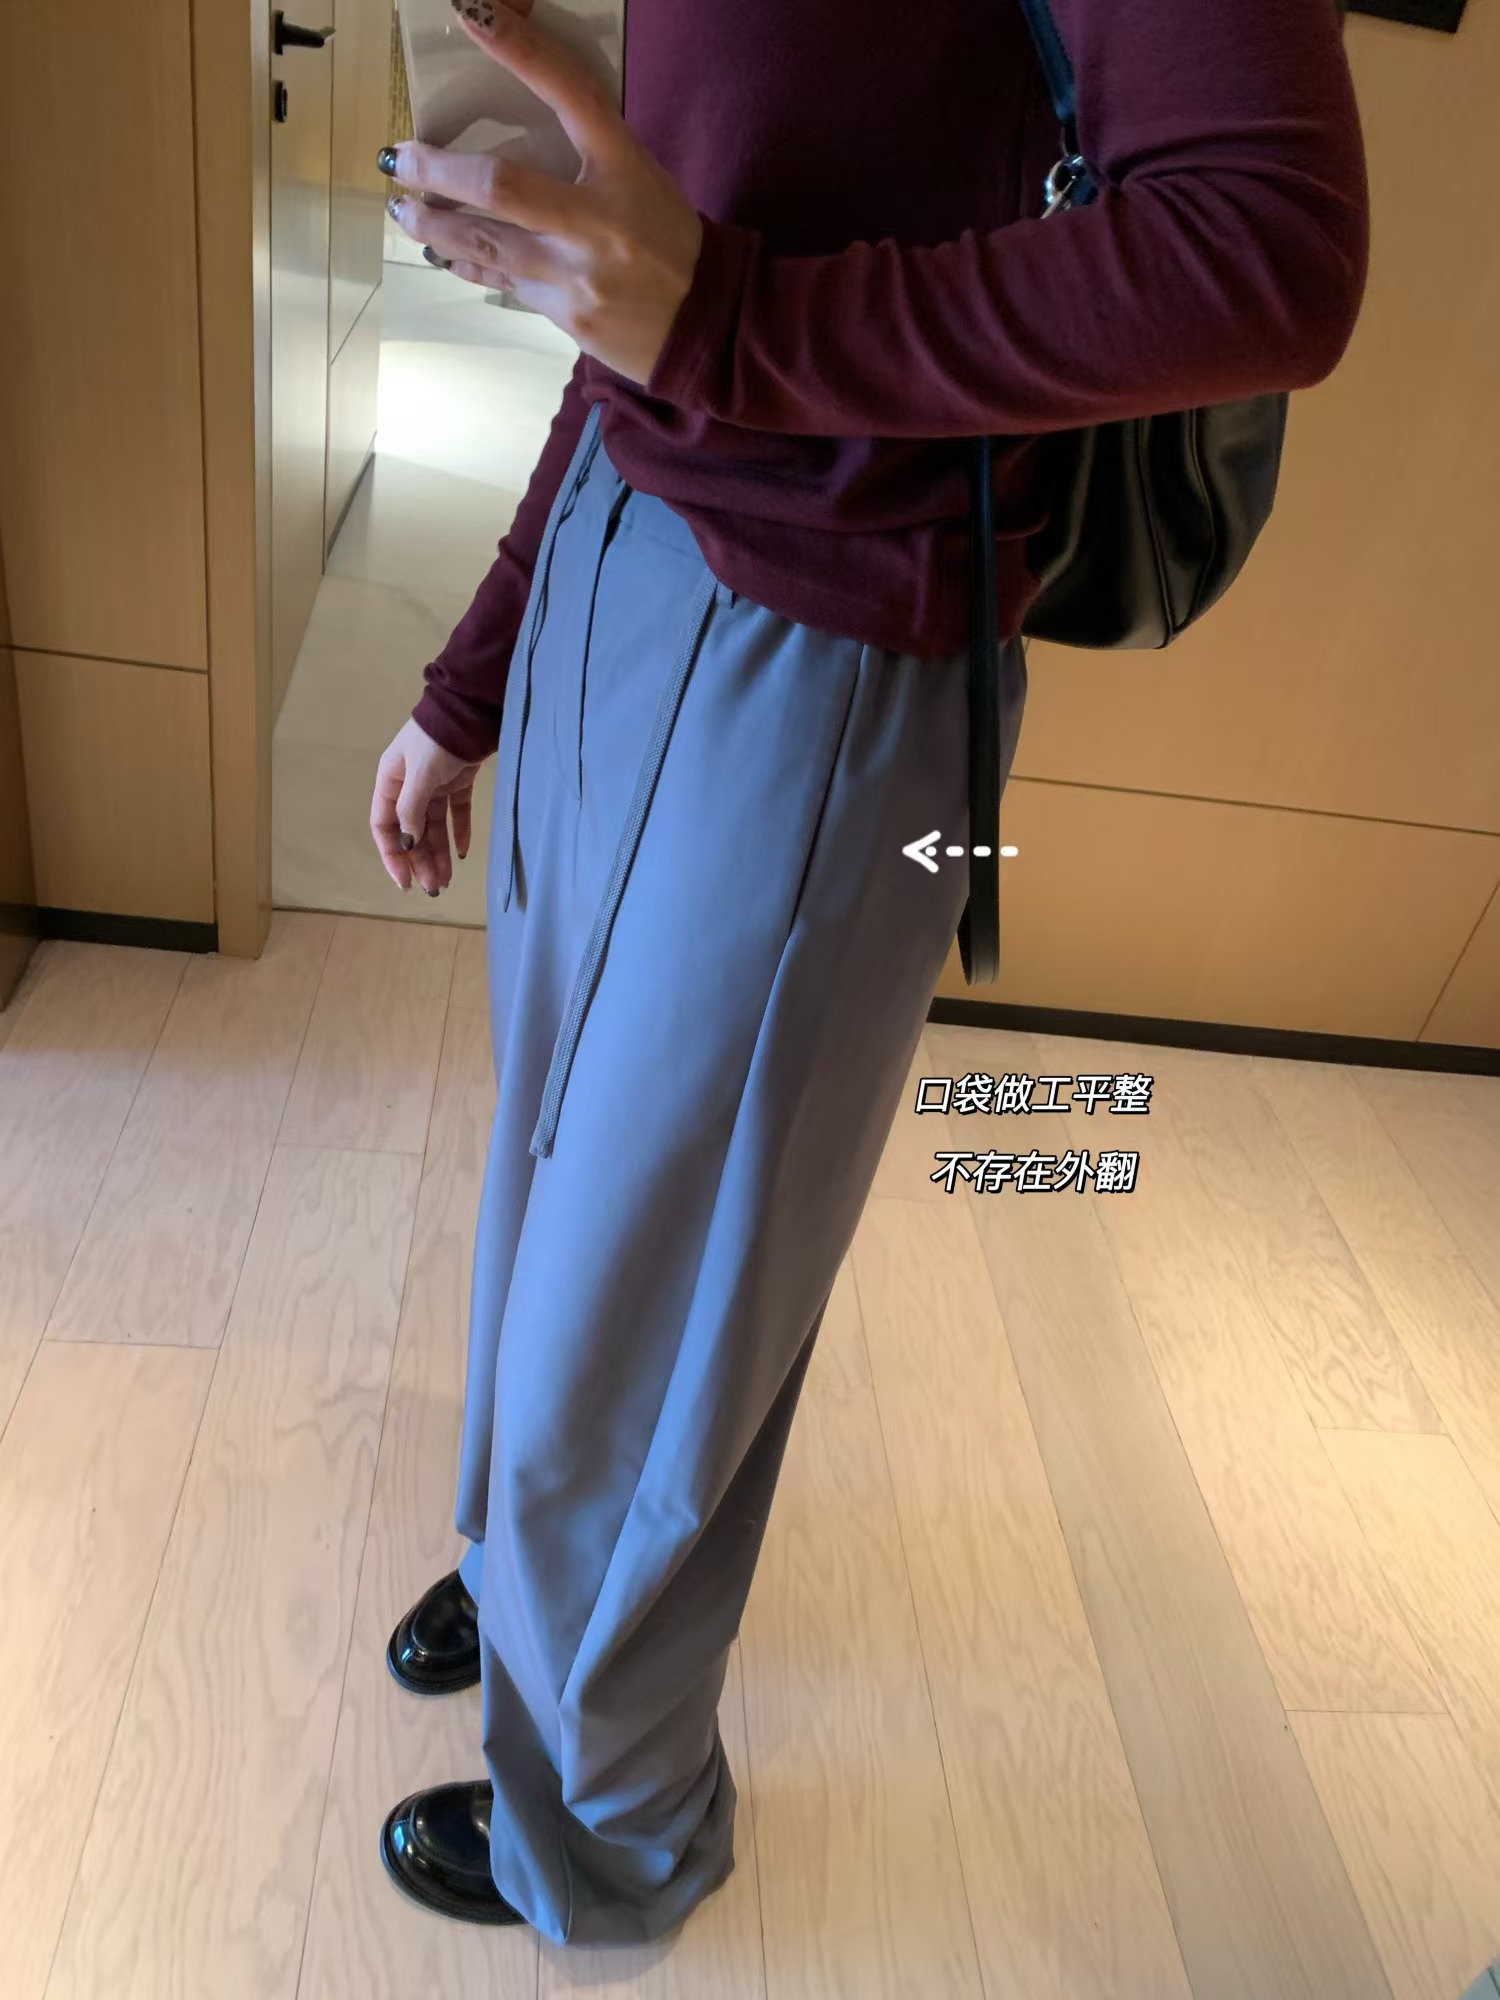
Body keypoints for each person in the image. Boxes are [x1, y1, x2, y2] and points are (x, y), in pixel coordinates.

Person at [366, 0, 1368, 1949]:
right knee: (558, 1171)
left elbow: (1269, 246)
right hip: (621, 540)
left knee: (663, 1285)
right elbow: (670, 250)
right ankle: (522, 1576)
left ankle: (612, 1833)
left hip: (835, 632)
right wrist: (479, 667)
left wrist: (732, 326)